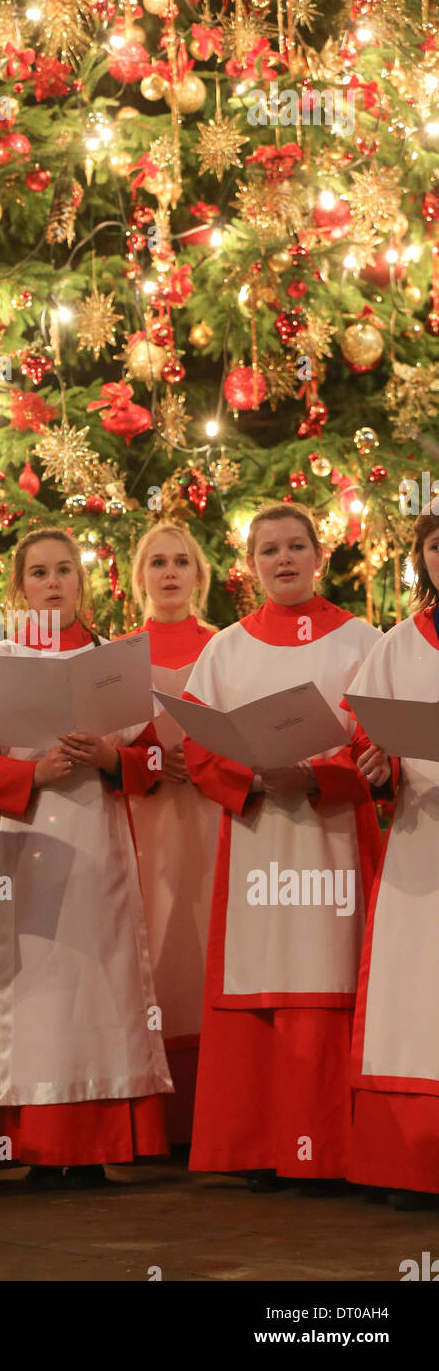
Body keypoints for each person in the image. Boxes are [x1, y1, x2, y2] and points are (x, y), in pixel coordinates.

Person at [0, 527, 172, 1190]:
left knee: (101, 986)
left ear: (82, 580)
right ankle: (37, 1146)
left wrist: (110, 759)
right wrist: (29, 776)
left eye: (64, 570)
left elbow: (153, 762)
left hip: (100, 848)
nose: (51, 582)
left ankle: (97, 1141)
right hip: (25, 846)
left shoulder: (116, 661)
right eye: (38, 572)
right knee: (35, 993)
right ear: (19, 587)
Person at [181, 502, 383, 1192]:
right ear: (249, 565)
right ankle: (259, 1146)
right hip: (257, 836)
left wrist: (318, 774)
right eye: (270, 550)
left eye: (297, 546)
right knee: (257, 973)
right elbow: (198, 747)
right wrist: (253, 777)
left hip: (333, 838)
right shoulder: (225, 649)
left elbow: (381, 747)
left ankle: (331, 1150)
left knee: (333, 973)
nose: (285, 559)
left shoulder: (362, 641)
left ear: (321, 555)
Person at [345, 508, 439, 1209]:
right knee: (416, 997)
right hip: (421, 842)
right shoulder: (399, 645)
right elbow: (363, 739)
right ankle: (414, 1161)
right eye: (438, 546)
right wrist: (375, 766)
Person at [124, 523, 221, 1144]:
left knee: (209, 940)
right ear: (140, 578)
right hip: (145, 819)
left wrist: (209, 761)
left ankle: (212, 1111)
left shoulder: (226, 645)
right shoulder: (120, 653)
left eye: (181, 561)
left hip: (214, 814)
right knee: (153, 941)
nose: (169, 572)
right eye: (156, 562)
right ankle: (159, 1116)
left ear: (199, 575)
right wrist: (157, 761)